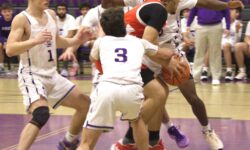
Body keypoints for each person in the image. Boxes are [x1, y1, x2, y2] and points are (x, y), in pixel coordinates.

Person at [101, 0, 243, 150]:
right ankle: (152, 137)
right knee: (158, 96)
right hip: (150, 56)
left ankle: (207, 131)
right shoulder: (147, 4)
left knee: (192, 97)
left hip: (172, 54)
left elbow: (206, 3)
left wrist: (226, 5)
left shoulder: (178, 2)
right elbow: (109, 4)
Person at [77, 7, 183, 150]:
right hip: (132, 91)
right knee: (137, 121)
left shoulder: (100, 42)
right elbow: (164, 54)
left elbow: (92, 58)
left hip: (107, 89)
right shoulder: (138, 42)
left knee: (86, 143)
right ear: (124, 24)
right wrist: (173, 52)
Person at [6, 0, 92, 149]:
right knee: (41, 114)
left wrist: (76, 40)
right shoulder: (22, 19)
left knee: (86, 104)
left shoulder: (51, 14)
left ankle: (68, 141)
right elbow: (10, 49)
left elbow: (57, 41)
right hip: (32, 74)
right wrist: (35, 40)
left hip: (52, 75)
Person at [187, 2, 231, 85]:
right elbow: (193, 9)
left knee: (215, 52)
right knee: (199, 52)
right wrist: (188, 24)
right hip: (200, 26)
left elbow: (226, 8)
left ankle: (216, 77)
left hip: (216, 25)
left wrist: (228, 26)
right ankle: (196, 76)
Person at [56, 2, 78, 77]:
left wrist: (62, 41)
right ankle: (54, 69)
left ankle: (64, 69)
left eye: (63, 9)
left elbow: (71, 34)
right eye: (59, 9)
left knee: (66, 45)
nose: (61, 11)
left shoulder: (71, 18)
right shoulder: (54, 19)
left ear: (66, 10)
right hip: (56, 41)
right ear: (56, 11)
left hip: (67, 40)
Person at [221, 8, 242, 81]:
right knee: (210, 45)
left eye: (235, 12)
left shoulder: (238, 24)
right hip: (220, 42)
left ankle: (229, 71)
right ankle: (204, 70)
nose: (231, 13)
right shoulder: (222, 21)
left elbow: (237, 41)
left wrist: (236, 31)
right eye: (230, 11)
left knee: (226, 45)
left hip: (231, 44)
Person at [0, 3, 17, 74]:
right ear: (1, 13)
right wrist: (4, 41)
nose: (7, 13)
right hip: (3, 39)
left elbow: (18, 32)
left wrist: (10, 41)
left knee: (20, 45)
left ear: (12, 11)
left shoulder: (16, 19)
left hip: (14, 38)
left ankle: (23, 66)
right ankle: (1, 66)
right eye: (5, 12)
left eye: (9, 11)